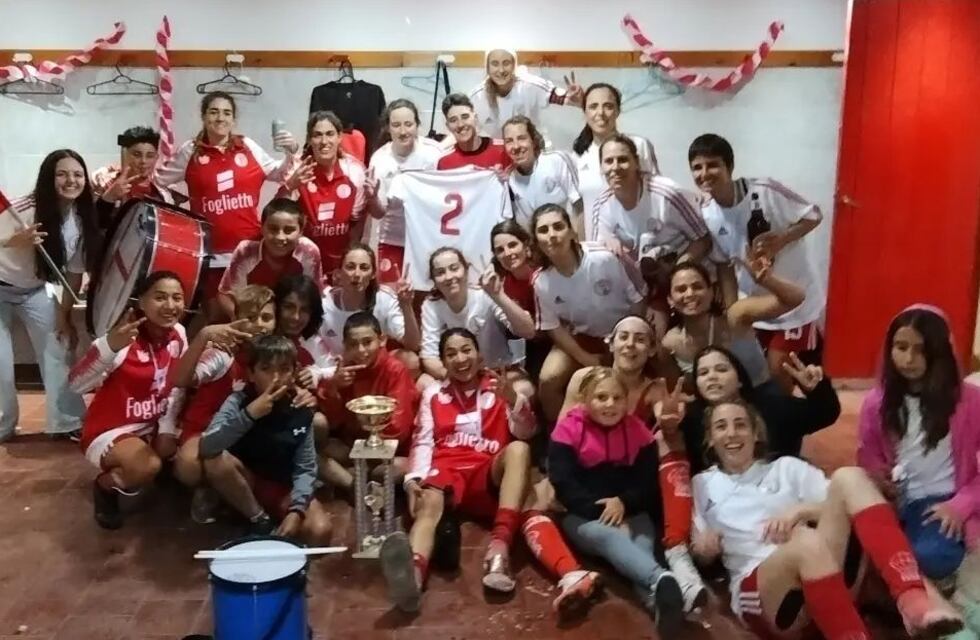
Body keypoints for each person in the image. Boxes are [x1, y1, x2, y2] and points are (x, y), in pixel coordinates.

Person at [691, 399, 963, 640]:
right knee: (805, 541)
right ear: (710, 439)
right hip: (763, 589)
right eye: (721, 427)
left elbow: (849, 504)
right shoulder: (702, 484)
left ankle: (911, 597)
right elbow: (698, 551)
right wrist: (705, 548)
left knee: (850, 477)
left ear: (755, 434)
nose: (731, 433)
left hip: (822, 570)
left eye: (740, 425)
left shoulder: (786, 468)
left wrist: (800, 511)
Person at [380, 328, 600, 619]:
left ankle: (499, 550)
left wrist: (514, 401)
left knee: (520, 451)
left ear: (479, 354)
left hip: (488, 472)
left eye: (466, 350)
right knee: (427, 506)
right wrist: (412, 481)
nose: (460, 358)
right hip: (447, 468)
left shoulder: (500, 387)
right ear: (443, 363)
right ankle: (413, 576)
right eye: (451, 353)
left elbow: (527, 431)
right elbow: (422, 440)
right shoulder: (433, 393)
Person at [558, 316, 705, 612]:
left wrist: (669, 422)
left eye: (640, 339)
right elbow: (562, 437)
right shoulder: (583, 378)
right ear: (610, 343)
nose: (630, 344)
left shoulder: (654, 389)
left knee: (666, 437)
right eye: (623, 336)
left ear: (651, 349)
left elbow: (665, 417)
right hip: (589, 483)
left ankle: (677, 555)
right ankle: (660, 593)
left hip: (632, 488)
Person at [550, 367, 684, 635]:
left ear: (626, 401)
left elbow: (647, 485)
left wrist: (623, 503)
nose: (609, 404)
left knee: (639, 552)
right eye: (601, 397)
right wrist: (604, 512)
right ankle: (661, 578)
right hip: (584, 516)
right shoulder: (568, 430)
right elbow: (564, 483)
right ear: (585, 400)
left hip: (632, 511)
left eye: (616, 398)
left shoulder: (639, 433)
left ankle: (656, 603)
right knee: (612, 540)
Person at [689, 133, 825, 391]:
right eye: (697, 167)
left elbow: (814, 215)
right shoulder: (707, 212)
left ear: (729, 166)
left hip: (793, 301)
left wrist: (782, 239)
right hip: (755, 306)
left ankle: (787, 430)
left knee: (778, 375)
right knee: (753, 377)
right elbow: (724, 264)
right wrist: (733, 313)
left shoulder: (765, 190)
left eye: (712, 165)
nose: (705, 173)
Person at [858, 305, 980, 583]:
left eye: (920, 350)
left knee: (931, 557)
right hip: (897, 503)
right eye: (900, 347)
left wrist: (959, 507)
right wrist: (882, 479)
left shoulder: (971, 401)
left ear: (939, 353)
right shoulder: (876, 402)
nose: (908, 359)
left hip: (944, 502)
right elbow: (868, 456)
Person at [155, 91, 299, 319]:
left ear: (233, 120)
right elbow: (157, 180)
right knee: (219, 325)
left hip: (250, 253)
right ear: (204, 117)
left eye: (226, 113)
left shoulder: (247, 146)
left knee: (256, 319)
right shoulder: (190, 151)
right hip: (210, 258)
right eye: (213, 112)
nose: (220, 118)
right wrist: (176, 205)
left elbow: (280, 174)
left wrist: (291, 152)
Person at [68, 271, 188, 529]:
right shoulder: (122, 339)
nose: (170, 306)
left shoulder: (179, 332)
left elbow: (177, 386)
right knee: (146, 466)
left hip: (154, 421)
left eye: (177, 298)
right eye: (160, 298)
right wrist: (108, 347)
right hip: (112, 428)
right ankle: (105, 488)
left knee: (194, 447)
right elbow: (76, 384)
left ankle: (162, 469)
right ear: (140, 302)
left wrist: (167, 430)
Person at [0, 150, 97, 442]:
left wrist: (64, 317)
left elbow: (74, 273)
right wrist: (13, 240)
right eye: (62, 174)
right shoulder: (23, 209)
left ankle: (66, 421)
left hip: (33, 290)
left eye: (78, 174)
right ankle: (3, 426)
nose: (71, 180)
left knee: (59, 345)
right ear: (49, 177)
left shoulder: (79, 219)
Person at [199, 334, 332, 544]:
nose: (276, 377)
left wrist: (296, 511)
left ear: (294, 372)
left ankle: (277, 520)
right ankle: (258, 519)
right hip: (246, 482)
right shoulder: (238, 400)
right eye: (266, 369)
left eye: (284, 369)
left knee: (320, 532)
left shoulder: (301, 408)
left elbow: (305, 467)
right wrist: (249, 415)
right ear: (251, 373)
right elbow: (207, 446)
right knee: (216, 460)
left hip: (282, 486)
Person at [530, 204, 645, 426]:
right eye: (543, 230)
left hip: (623, 333)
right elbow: (553, 327)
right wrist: (585, 358)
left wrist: (630, 340)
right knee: (548, 379)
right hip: (585, 337)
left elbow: (639, 299)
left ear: (572, 232)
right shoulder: (541, 281)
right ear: (536, 240)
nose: (552, 235)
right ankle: (563, 439)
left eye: (558, 227)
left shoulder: (605, 257)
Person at [168, 285, 273, 523]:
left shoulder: (275, 353)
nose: (259, 324)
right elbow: (179, 379)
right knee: (189, 466)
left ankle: (231, 491)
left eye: (266, 318)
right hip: (204, 429)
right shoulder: (222, 353)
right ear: (236, 319)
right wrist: (204, 335)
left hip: (244, 429)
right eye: (250, 317)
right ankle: (208, 489)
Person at [681, 345, 840, 475]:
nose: (712, 376)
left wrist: (818, 390)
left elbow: (825, 413)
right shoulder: (690, 420)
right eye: (703, 373)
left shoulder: (772, 407)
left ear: (740, 380)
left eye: (721, 369)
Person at [662, 259, 804, 390]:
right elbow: (680, 391)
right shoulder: (670, 343)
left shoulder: (736, 316)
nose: (690, 294)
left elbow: (796, 298)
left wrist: (768, 281)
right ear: (670, 299)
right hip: (715, 413)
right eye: (681, 289)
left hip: (761, 400)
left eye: (697, 287)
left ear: (711, 292)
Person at [317, 312, 419, 491]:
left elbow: (398, 429)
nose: (361, 351)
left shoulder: (395, 371)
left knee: (392, 470)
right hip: (354, 447)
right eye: (353, 344)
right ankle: (355, 484)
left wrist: (364, 452)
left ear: (382, 340)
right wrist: (334, 386)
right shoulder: (345, 371)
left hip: (389, 451)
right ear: (345, 346)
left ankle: (353, 478)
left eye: (367, 342)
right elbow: (333, 421)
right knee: (318, 451)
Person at [419, 247, 536, 385]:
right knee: (423, 383)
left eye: (454, 268)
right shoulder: (431, 305)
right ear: (433, 280)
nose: (449, 277)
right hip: (456, 375)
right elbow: (429, 357)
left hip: (495, 371)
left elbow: (528, 331)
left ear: (466, 270)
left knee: (524, 388)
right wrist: (459, 378)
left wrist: (498, 295)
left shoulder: (486, 294)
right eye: (440, 272)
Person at [282, 110, 368, 282]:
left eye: (330, 134)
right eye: (317, 135)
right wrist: (290, 185)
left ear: (339, 137)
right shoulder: (298, 169)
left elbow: (357, 224)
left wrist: (348, 264)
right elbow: (277, 215)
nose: (324, 142)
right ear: (309, 139)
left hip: (342, 264)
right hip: (303, 263)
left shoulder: (355, 171)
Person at [367, 99, 443, 283]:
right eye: (396, 125)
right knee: (390, 297)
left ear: (417, 125)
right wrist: (371, 199)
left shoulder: (434, 153)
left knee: (424, 297)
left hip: (428, 238)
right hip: (393, 240)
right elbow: (379, 213)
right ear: (388, 128)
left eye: (408, 124)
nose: (403, 131)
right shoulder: (379, 160)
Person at [572, 83, 658, 237]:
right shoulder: (578, 157)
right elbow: (580, 211)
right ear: (584, 112)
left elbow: (657, 195)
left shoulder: (638, 145)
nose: (600, 113)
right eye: (593, 106)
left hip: (639, 245)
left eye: (608, 106)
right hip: (598, 247)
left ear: (618, 111)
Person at [217, 198, 322, 319]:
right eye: (273, 229)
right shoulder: (246, 250)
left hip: (291, 319)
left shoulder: (308, 251)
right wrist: (242, 323)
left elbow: (312, 298)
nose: (280, 237)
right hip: (253, 318)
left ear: (301, 231)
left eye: (289, 230)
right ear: (262, 228)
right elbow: (227, 295)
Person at [319, 243, 419, 370]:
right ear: (338, 273)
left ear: (373, 274)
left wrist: (406, 305)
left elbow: (413, 344)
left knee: (410, 360)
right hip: (338, 370)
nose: (357, 273)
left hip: (374, 368)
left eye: (364, 268)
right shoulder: (323, 304)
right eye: (350, 267)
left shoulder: (384, 298)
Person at [469, 49, 583, 140]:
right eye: (495, 64)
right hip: (496, 154)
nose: (501, 70)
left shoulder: (531, 85)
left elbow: (569, 100)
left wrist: (578, 99)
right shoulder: (476, 96)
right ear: (487, 67)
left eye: (506, 63)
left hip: (530, 149)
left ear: (514, 65)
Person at [489, 219, 549, 381]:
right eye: (500, 250)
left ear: (525, 245)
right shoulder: (503, 284)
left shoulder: (544, 272)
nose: (507, 253)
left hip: (559, 336)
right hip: (533, 342)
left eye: (512, 245)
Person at [502, 116, 581, 227]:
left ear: (533, 141)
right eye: (509, 141)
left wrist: (580, 241)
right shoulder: (511, 181)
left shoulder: (556, 161)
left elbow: (579, 204)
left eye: (521, 138)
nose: (516, 146)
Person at [92, 126, 178, 228]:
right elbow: (92, 226)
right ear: (125, 155)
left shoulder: (163, 195)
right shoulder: (104, 183)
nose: (143, 161)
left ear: (156, 158)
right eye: (137, 155)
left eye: (150, 156)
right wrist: (109, 197)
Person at [436, 94, 512, 171]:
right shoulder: (444, 163)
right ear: (448, 126)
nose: (460, 124)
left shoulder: (504, 150)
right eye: (453, 120)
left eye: (465, 117)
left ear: (475, 118)